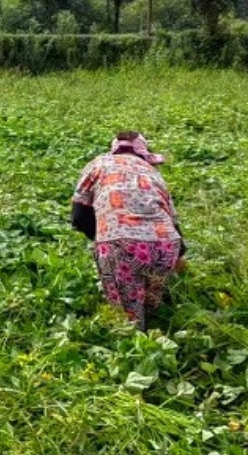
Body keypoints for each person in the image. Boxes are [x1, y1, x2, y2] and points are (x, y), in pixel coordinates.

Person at [71, 131, 185, 331]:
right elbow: (172, 219)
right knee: (153, 308)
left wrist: (102, 240)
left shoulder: (98, 165)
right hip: (166, 245)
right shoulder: (152, 171)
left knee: (129, 320)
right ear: (143, 152)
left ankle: (136, 343)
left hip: (121, 244)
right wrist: (179, 256)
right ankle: (163, 338)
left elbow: (79, 218)